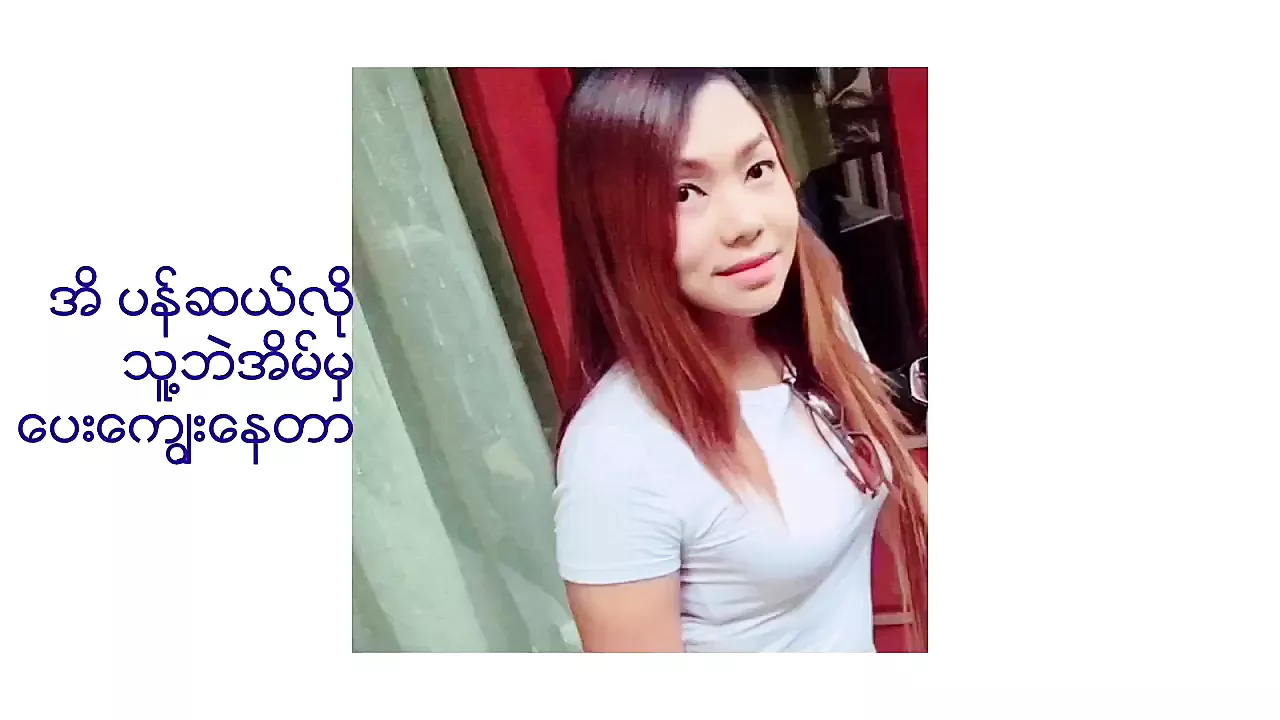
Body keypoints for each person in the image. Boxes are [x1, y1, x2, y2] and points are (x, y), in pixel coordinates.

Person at [551, 69, 928, 653]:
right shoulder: (618, 456)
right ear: (611, 225)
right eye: (683, 194)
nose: (746, 223)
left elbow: (902, 495)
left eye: (757, 170)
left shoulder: (815, 321)